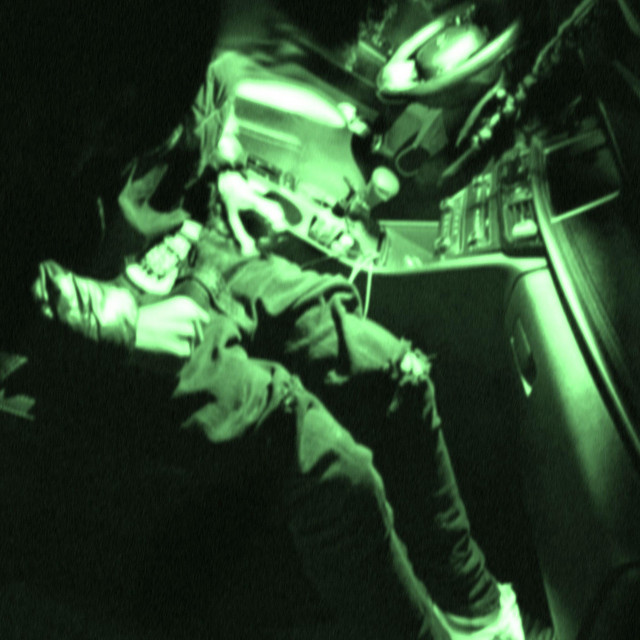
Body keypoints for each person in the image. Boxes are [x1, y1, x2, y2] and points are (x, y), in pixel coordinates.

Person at [12, 1, 527, 638]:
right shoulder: (74, 56)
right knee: (335, 473)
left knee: (395, 373)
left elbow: (191, 138)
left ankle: (477, 610)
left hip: (197, 257)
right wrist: (122, 322)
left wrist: (222, 178)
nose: (286, 52)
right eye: (282, 32)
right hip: (95, 319)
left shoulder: (204, 47)